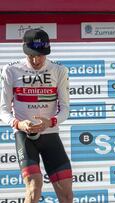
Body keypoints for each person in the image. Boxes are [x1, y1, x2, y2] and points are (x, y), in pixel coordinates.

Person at [0, 29, 72, 202]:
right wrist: (18, 124)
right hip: (25, 136)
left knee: (67, 194)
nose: (36, 60)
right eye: (32, 55)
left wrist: (51, 121)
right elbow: (3, 109)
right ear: (25, 50)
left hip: (51, 136)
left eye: (40, 55)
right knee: (34, 187)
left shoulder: (59, 70)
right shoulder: (11, 70)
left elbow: (66, 109)